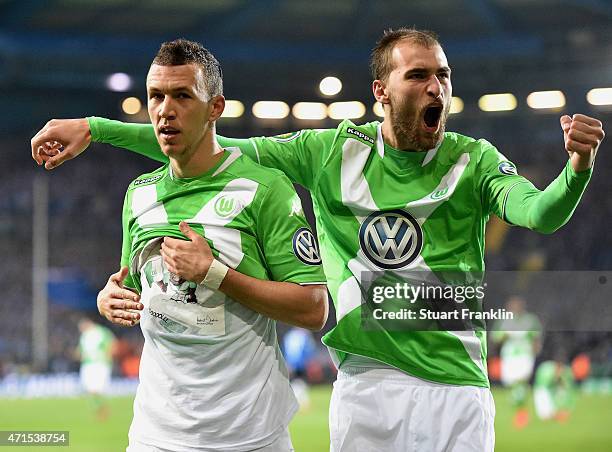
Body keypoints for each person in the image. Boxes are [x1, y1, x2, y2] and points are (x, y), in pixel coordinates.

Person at [31, 28, 605, 452]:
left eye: (443, 76)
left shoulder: (473, 160)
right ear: (382, 91)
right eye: (419, 75)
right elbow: (207, 147)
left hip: (454, 386)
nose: (437, 86)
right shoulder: (329, 152)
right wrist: (97, 129)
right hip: (361, 386)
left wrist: (576, 168)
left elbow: (539, 214)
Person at [41, 39, 328, 452]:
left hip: (250, 435)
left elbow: (314, 308)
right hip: (156, 434)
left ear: (215, 108)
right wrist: (112, 298)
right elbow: (137, 287)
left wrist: (216, 275)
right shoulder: (138, 195)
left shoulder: (265, 191)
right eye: (156, 96)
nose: (164, 110)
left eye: (182, 96)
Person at [492, 296, 542, 429]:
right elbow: (496, 338)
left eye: (516, 305)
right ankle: (519, 405)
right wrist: (504, 336)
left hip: (525, 355)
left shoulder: (530, 320)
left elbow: (536, 337)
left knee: (520, 381)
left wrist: (536, 350)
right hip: (509, 356)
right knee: (512, 383)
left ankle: (521, 413)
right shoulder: (504, 320)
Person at [76, 316, 116, 421]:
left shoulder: (102, 332)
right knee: (90, 390)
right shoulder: (84, 335)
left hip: (100, 364)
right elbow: (81, 350)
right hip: (87, 364)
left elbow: (112, 344)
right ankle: (100, 410)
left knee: (97, 390)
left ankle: (102, 410)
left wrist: (108, 356)